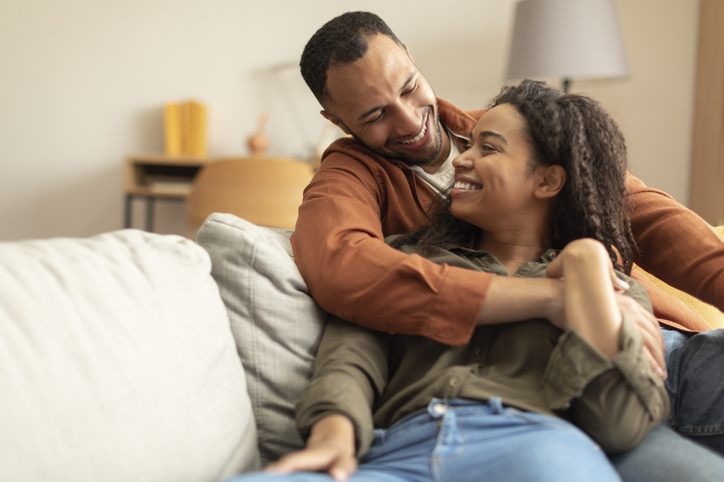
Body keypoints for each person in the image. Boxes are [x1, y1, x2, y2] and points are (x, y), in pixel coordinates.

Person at [290, 11, 724, 462]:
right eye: (376, 114)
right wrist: (556, 297)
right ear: (337, 120)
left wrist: (598, 286)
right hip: (558, 379)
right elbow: (341, 267)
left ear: (410, 58)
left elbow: (654, 218)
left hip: (657, 342)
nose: (408, 120)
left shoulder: (518, 126)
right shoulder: (350, 176)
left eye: (408, 87)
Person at [226, 80, 670, 482]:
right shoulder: (405, 261)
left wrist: (586, 261)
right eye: (469, 144)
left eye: (488, 149)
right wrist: (333, 438)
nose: (462, 159)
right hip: (398, 454)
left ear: (548, 180)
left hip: (536, 450)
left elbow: (619, 423)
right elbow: (348, 362)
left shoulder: (612, 291)